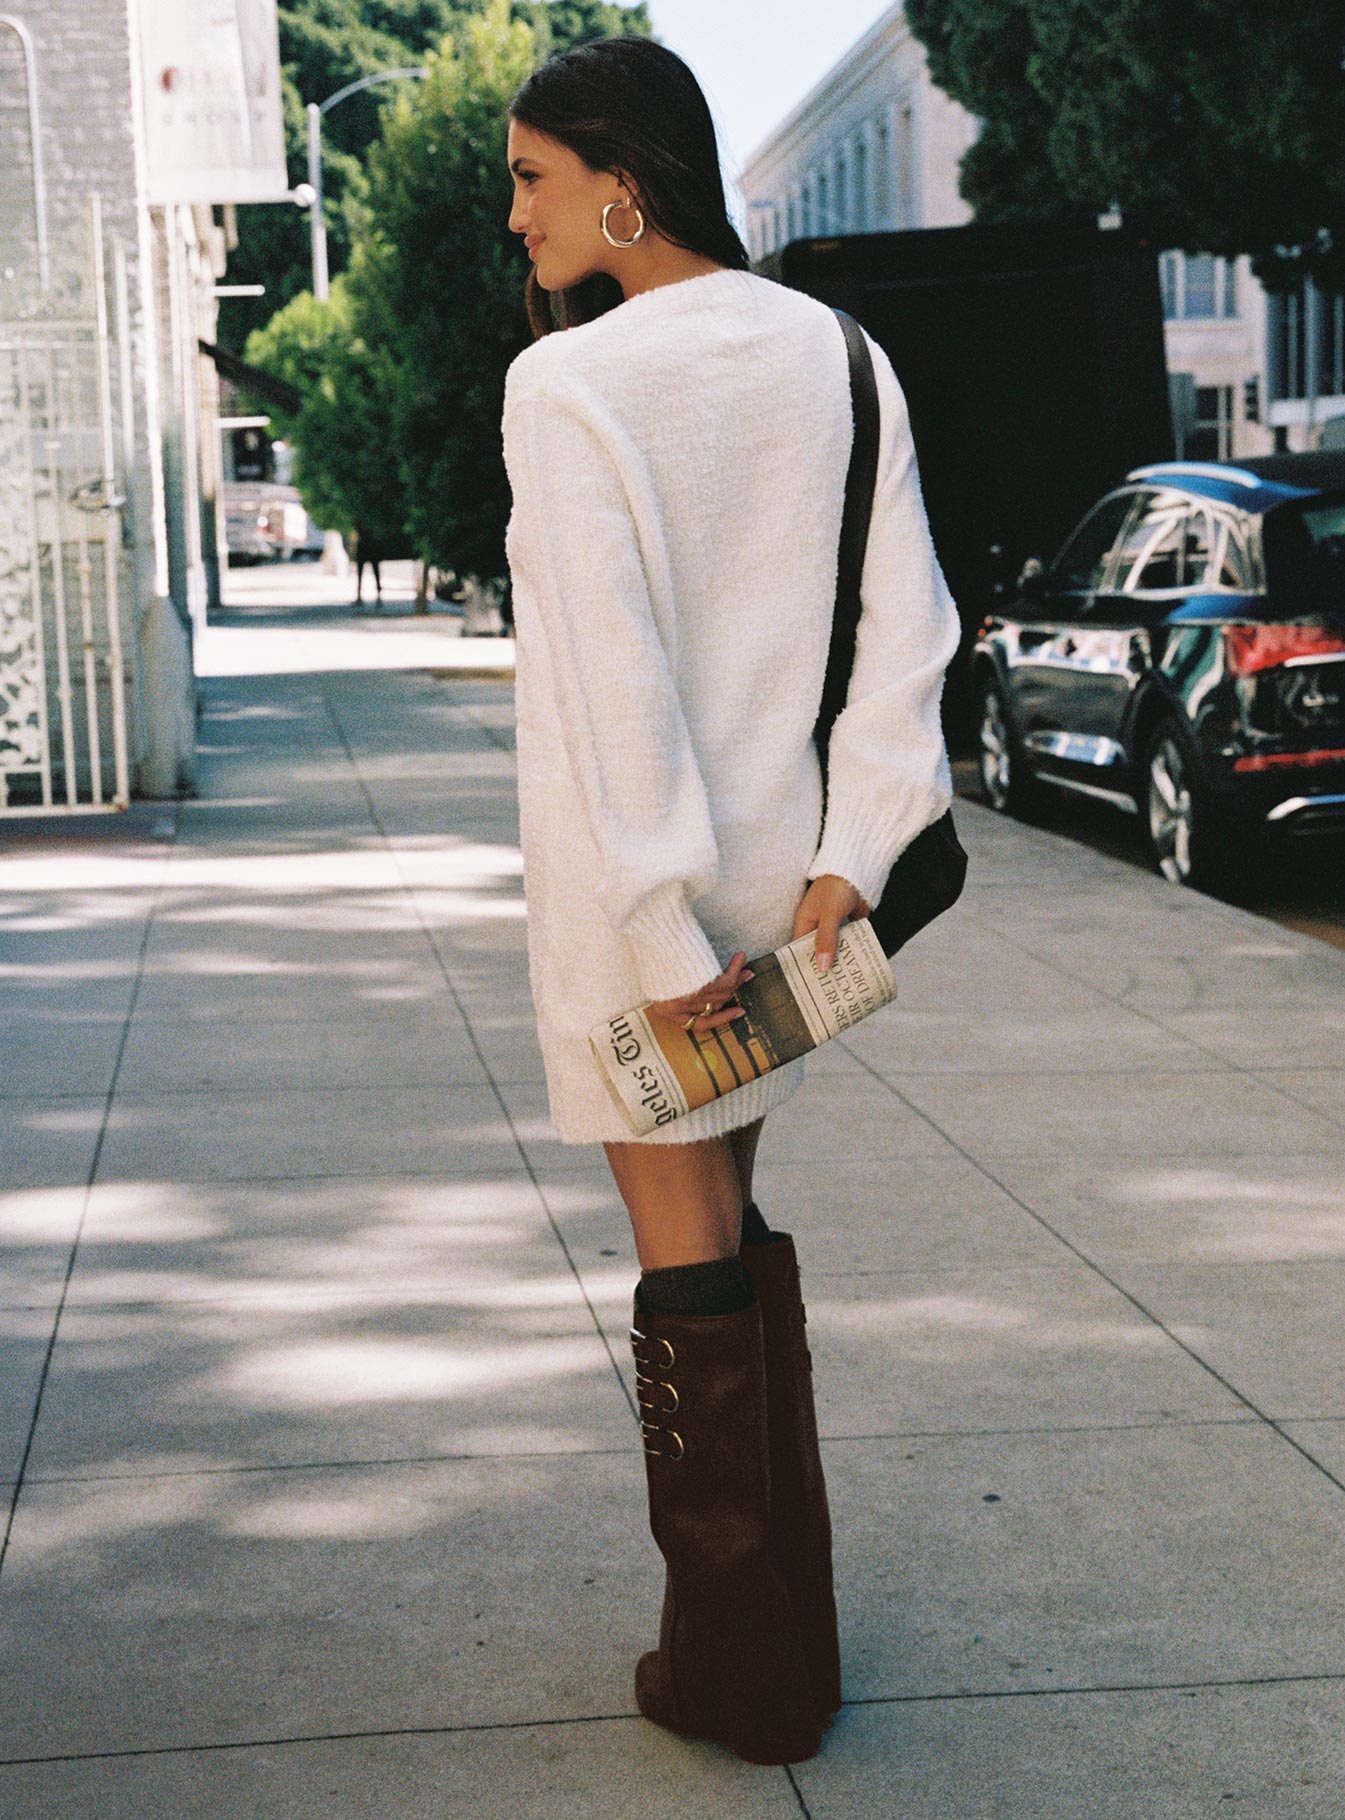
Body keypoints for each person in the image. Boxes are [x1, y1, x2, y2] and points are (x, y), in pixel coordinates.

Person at [501, 37, 959, 1767]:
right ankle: (786, 1633)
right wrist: (855, 850)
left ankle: (737, 1673)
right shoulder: (840, 354)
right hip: (792, 907)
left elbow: (611, 686)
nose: (517, 214)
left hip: (655, 923)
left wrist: (659, 930)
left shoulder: (569, 390)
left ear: (624, 179)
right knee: (732, 1243)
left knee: (683, 1263)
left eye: (535, 177)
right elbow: (905, 633)